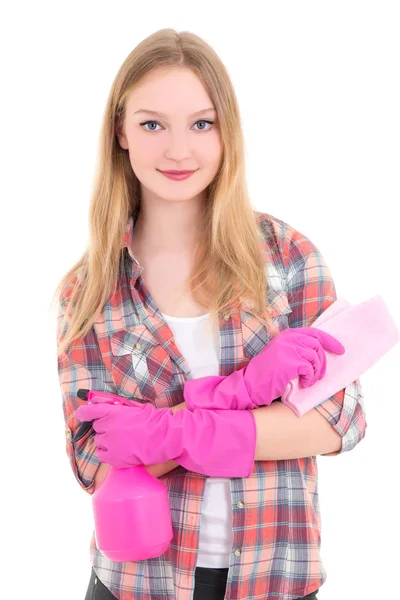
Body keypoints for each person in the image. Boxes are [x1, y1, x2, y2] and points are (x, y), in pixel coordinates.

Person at [53, 29, 367, 600]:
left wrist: (163, 431)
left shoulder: (290, 257)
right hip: (136, 584)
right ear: (121, 132)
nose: (179, 150)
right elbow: (94, 466)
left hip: (275, 577)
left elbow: (337, 421)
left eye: (201, 123)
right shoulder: (87, 289)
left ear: (227, 133)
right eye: (153, 124)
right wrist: (255, 408)